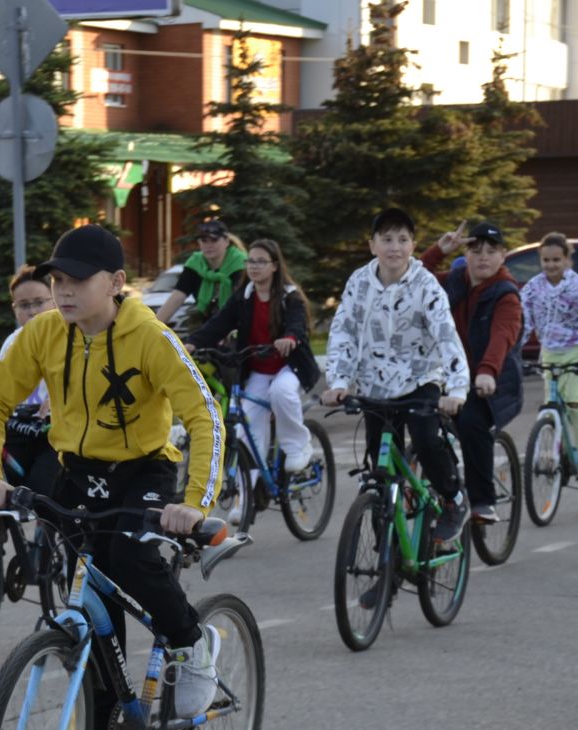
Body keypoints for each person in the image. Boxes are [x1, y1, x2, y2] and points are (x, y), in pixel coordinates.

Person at [0, 224, 225, 730]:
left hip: (143, 469)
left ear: (115, 284)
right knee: (89, 610)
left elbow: (203, 416)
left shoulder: (150, 337)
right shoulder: (43, 335)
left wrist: (195, 502)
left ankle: (191, 641)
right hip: (77, 472)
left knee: (133, 562)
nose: (62, 290)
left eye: (76, 280)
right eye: (57, 279)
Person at [320, 206, 472, 544]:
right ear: (372, 245)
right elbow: (343, 331)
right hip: (375, 387)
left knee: (425, 441)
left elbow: (446, 335)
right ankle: (386, 562)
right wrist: (340, 382)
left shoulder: (425, 285)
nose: (395, 247)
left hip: (419, 382)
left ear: (413, 245)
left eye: (403, 240)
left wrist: (457, 390)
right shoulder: (359, 281)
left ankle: (453, 499)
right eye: (386, 239)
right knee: (379, 475)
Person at [185, 237, 322, 473]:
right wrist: (191, 344)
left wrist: (289, 338)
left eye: (261, 261)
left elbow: (297, 324)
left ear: (275, 266)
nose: (254, 267)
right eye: (251, 261)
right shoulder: (243, 297)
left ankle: (298, 447)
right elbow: (218, 325)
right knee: (247, 427)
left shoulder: (290, 296)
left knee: (281, 392)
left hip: (288, 367)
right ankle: (247, 494)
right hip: (258, 370)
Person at [420, 220, 525, 524]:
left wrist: (487, 372)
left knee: (470, 422)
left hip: (490, 382)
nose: (483, 257)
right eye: (475, 250)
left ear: (503, 255)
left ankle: (482, 502)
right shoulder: (454, 280)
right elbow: (412, 281)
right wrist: (438, 250)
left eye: (491, 251)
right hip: (447, 376)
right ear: (466, 253)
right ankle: (443, 489)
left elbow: (502, 335)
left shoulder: (506, 294)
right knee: (419, 418)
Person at [515, 231, 578, 478]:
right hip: (550, 351)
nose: (551, 265)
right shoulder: (534, 287)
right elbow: (522, 322)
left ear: (567, 260)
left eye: (556, 260)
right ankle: (552, 448)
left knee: (571, 400)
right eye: (546, 260)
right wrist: (512, 350)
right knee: (552, 403)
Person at [0, 265, 58, 495]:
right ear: (14, 309)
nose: (33, 311)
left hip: (54, 433)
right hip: (19, 429)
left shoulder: (66, 336)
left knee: (41, 490)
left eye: (39, 302)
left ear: (54, 300)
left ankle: (48, 527)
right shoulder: (13, 341)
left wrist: (56, 400)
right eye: (24, 305)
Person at [156, 219, 247, 326]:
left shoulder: (240, 264)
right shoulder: (195, 264)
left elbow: (242, 304)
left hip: (237, 325)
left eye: (214, 240)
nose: (208, 245)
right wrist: (153, 326)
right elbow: (176, 299)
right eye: (204, 240)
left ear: (226, 241)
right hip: (206, 326)